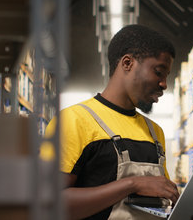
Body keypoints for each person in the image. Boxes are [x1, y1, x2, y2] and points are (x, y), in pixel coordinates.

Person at [43, 24, 180, 220]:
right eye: (159, 72)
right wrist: (133, 184)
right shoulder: (73, 120)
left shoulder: (154, 132)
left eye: (166, 76)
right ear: (127, 63)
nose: (164, 85)